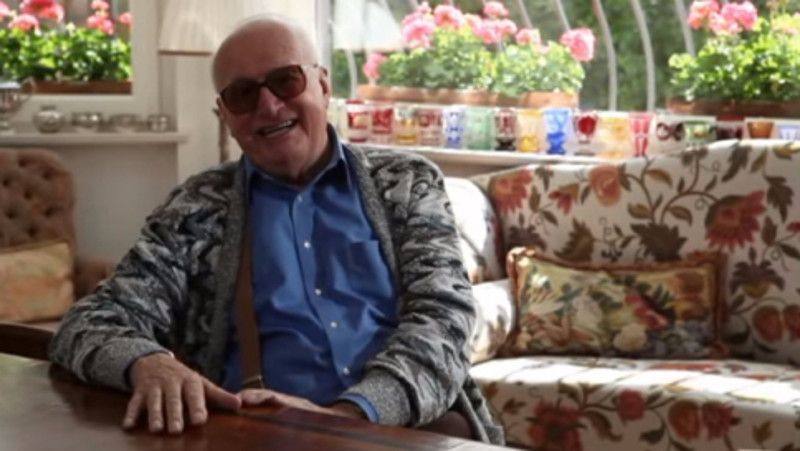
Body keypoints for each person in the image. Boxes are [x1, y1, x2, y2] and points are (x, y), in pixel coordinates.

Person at [49, 14, 504, 445]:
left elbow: (445, 319)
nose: (268, 106)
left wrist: (350, 416)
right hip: (260, 435)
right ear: (224, 115)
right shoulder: (196, 207)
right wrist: (148, 363)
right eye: (243, 95)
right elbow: (89, 323)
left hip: (401, 427)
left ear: (323, 85)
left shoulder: (405, 183)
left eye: (286, 80)